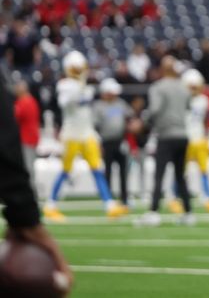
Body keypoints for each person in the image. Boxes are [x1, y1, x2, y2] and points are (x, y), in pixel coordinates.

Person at [0, 65, 72, 294]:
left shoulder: (26, 102)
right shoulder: (27, 101)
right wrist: (24, 214)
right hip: (22, 143)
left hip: (27, 140)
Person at [44, 51, 127, 221]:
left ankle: (109, 204)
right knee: (66, 170)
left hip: (86, 132)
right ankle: (50, 204)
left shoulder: (85, 86)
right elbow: (63, 103)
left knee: (97, 168)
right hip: (71, 133)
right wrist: (78, 94)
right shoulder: (66, 85)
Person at [136, 56, 193, 227]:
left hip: (166, 135)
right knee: (180, 176)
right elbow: (188, 107)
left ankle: (153, 211)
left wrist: (143, 122)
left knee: (159, 174)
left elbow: (155, 109)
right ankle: (188, 212)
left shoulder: (158, 87)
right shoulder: (184, 88)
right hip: (183, 134)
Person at [168, 69, 209, 214]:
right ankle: (173, 197)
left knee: (204, 170)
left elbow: (204, 120)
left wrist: (206, 136)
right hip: (185, 138)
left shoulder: (204, 100)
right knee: (181, 171)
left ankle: (207, 198)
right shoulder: (181, 99)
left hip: (199, 139)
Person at [93, 78, 134, 209]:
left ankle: (125, 198)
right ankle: (108, 200)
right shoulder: (98, 106)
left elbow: (130, 117)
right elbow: (95, 126)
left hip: (120, 141)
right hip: (106, 142)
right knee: (108, 171)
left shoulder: (120, 104)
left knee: (124, 172)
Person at [13, 79, 40, 194]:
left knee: (28, 168)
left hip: (26, 138)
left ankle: (30, 193)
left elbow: (15, 117)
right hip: (30, 138)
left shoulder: (24, 102)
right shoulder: (31, 101)